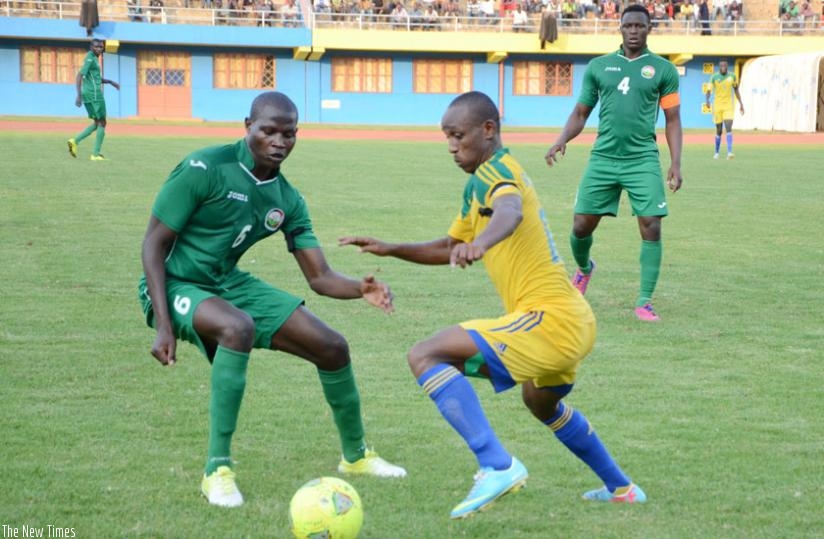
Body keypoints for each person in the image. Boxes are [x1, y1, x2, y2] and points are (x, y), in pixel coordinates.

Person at [340, 91, 646, 520]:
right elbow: (449, 247)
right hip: (571, 320)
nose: (451, 146)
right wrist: (390, 248)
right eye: (447, 137)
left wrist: (481, 244)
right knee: (540, 401)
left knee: (426, 355)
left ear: (488, 130)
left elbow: (510, 211)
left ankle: (497, 464)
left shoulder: (498, 171)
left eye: (458, 135)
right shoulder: (477, 184)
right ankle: (622, 488)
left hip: (550, 319)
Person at [138, 91, 406, 509]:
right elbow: (153, 244)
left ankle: (356, 457)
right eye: (268, 131)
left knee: (332, 347)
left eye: (289, 133)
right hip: (174, 283)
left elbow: (320, 277)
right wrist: (163, 323)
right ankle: (217, 472)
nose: (279, 141)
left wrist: (361, 288)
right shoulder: (204, 168)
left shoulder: (287, 199)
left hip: (226, 282)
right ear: (248, 126)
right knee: (236, 327)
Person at [544, 4, 683, 322]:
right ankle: (584, 269)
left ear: (649, 29)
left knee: (652, 224)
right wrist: (562, 139)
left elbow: (673, 119)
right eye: (628, 25)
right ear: (620, 28)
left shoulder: (663, 70)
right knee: (581, 225)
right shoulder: (599, 67)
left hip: (642, 159)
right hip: (603, 158)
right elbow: (581, 112)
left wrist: (676, 162)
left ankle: (644, 302)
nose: (634, 31)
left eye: (640, 26)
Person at [67, 39, 119, 161]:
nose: (99, 49)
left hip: (90, 94)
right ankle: (95, 154)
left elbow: (95, 78)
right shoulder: (90, 59)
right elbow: (79, 75)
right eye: (96, 47)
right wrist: (78, 95)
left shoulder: (93, 58)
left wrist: (110, 82)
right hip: (94, 95)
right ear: (91, 47)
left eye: (101, 47)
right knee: (102, 122)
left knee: (97, 123)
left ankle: (75, 141)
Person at [705, 58, 744, 159]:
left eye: (725, 65)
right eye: (721, 66)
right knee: (719, 130)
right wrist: (707, 100)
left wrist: (741, 103)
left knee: (728, 127)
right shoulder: (714, 77)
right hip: (717, 106)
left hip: (728, 106)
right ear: (719, 67)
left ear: (727, 66)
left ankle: (729, 152)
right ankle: (716, 152)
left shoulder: (732, 76)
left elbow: (736, 90)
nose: (723, 67)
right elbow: (708, 90)